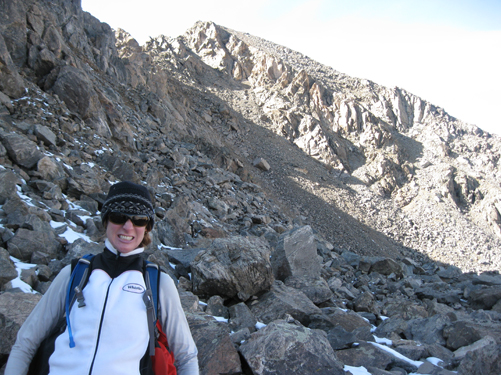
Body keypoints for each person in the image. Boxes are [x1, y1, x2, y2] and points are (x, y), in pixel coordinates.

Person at [5, 181, 199, 375]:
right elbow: (25, 342)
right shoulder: (74, 274)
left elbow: (186, 356)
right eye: (118, 217)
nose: (128, 226)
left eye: (139, 219)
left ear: (147, 227)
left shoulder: (158, 283)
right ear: (106, 220)